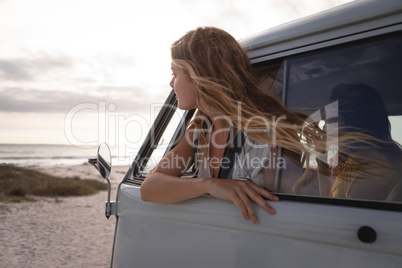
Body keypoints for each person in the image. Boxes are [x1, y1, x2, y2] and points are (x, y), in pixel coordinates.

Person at [140, 27, 326, 224]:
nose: (171, 83)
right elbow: (149, 188)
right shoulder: (199, 132)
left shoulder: (262, 134)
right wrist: (209, 185)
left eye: (174, 73)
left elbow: (294, 213)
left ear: (197, 75)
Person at [320, 83, 402, 200]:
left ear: (341, 120)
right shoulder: (360, 160)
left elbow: (330, 213)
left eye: (326, 118)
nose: (324, 124)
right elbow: (329, 201)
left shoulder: (370, 173)